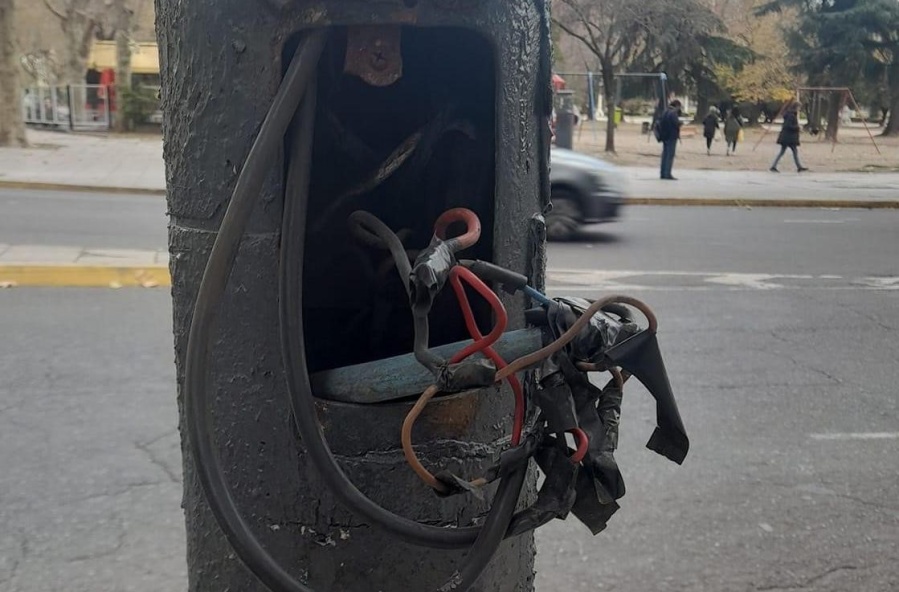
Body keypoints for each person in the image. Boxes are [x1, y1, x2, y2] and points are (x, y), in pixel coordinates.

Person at [770, 102, 808, 173]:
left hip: (787, 137)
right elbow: (788, 126)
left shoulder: (790, 114)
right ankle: (799, 167)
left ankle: (774, 166)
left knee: (785, 152)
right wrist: (797, 127)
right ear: (796, 107)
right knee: (792, 152)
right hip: (789, 138)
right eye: (799, 107)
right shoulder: (791, 115)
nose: (799, 109)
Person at [657, 99, 682, 180]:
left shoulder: (665, 112)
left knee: (665, 155)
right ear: (677, 106)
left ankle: (663, 173)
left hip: (665, 136)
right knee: (670, 155)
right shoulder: (673, 113)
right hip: (672, 136)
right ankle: (667, 173)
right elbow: (676, 123)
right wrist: (680, 123)